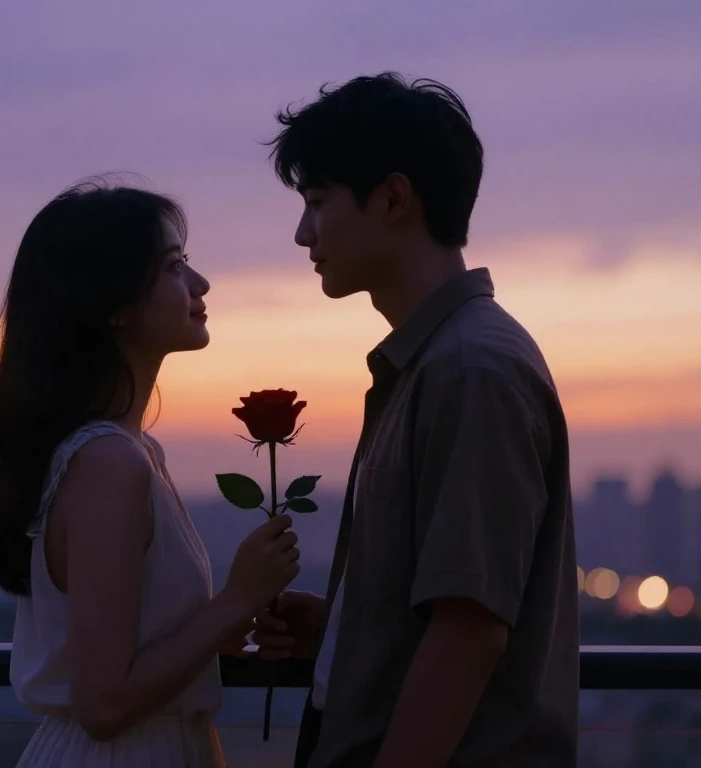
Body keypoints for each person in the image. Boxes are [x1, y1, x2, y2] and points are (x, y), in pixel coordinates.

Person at [252, 73, 580, 767]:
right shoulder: (437, 362)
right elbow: (450, 610)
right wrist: (349, 633)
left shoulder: (470, 371)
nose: (302, 232)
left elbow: (469, 631)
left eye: (318, 201)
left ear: (395, 198)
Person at [0, 180, 302, 767]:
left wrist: (225, 630)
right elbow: (104, 704)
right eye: (173, 266)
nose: (200, 283)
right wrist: (236, 600)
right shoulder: (109, 464)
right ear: (113, 305)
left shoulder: (133, 453)